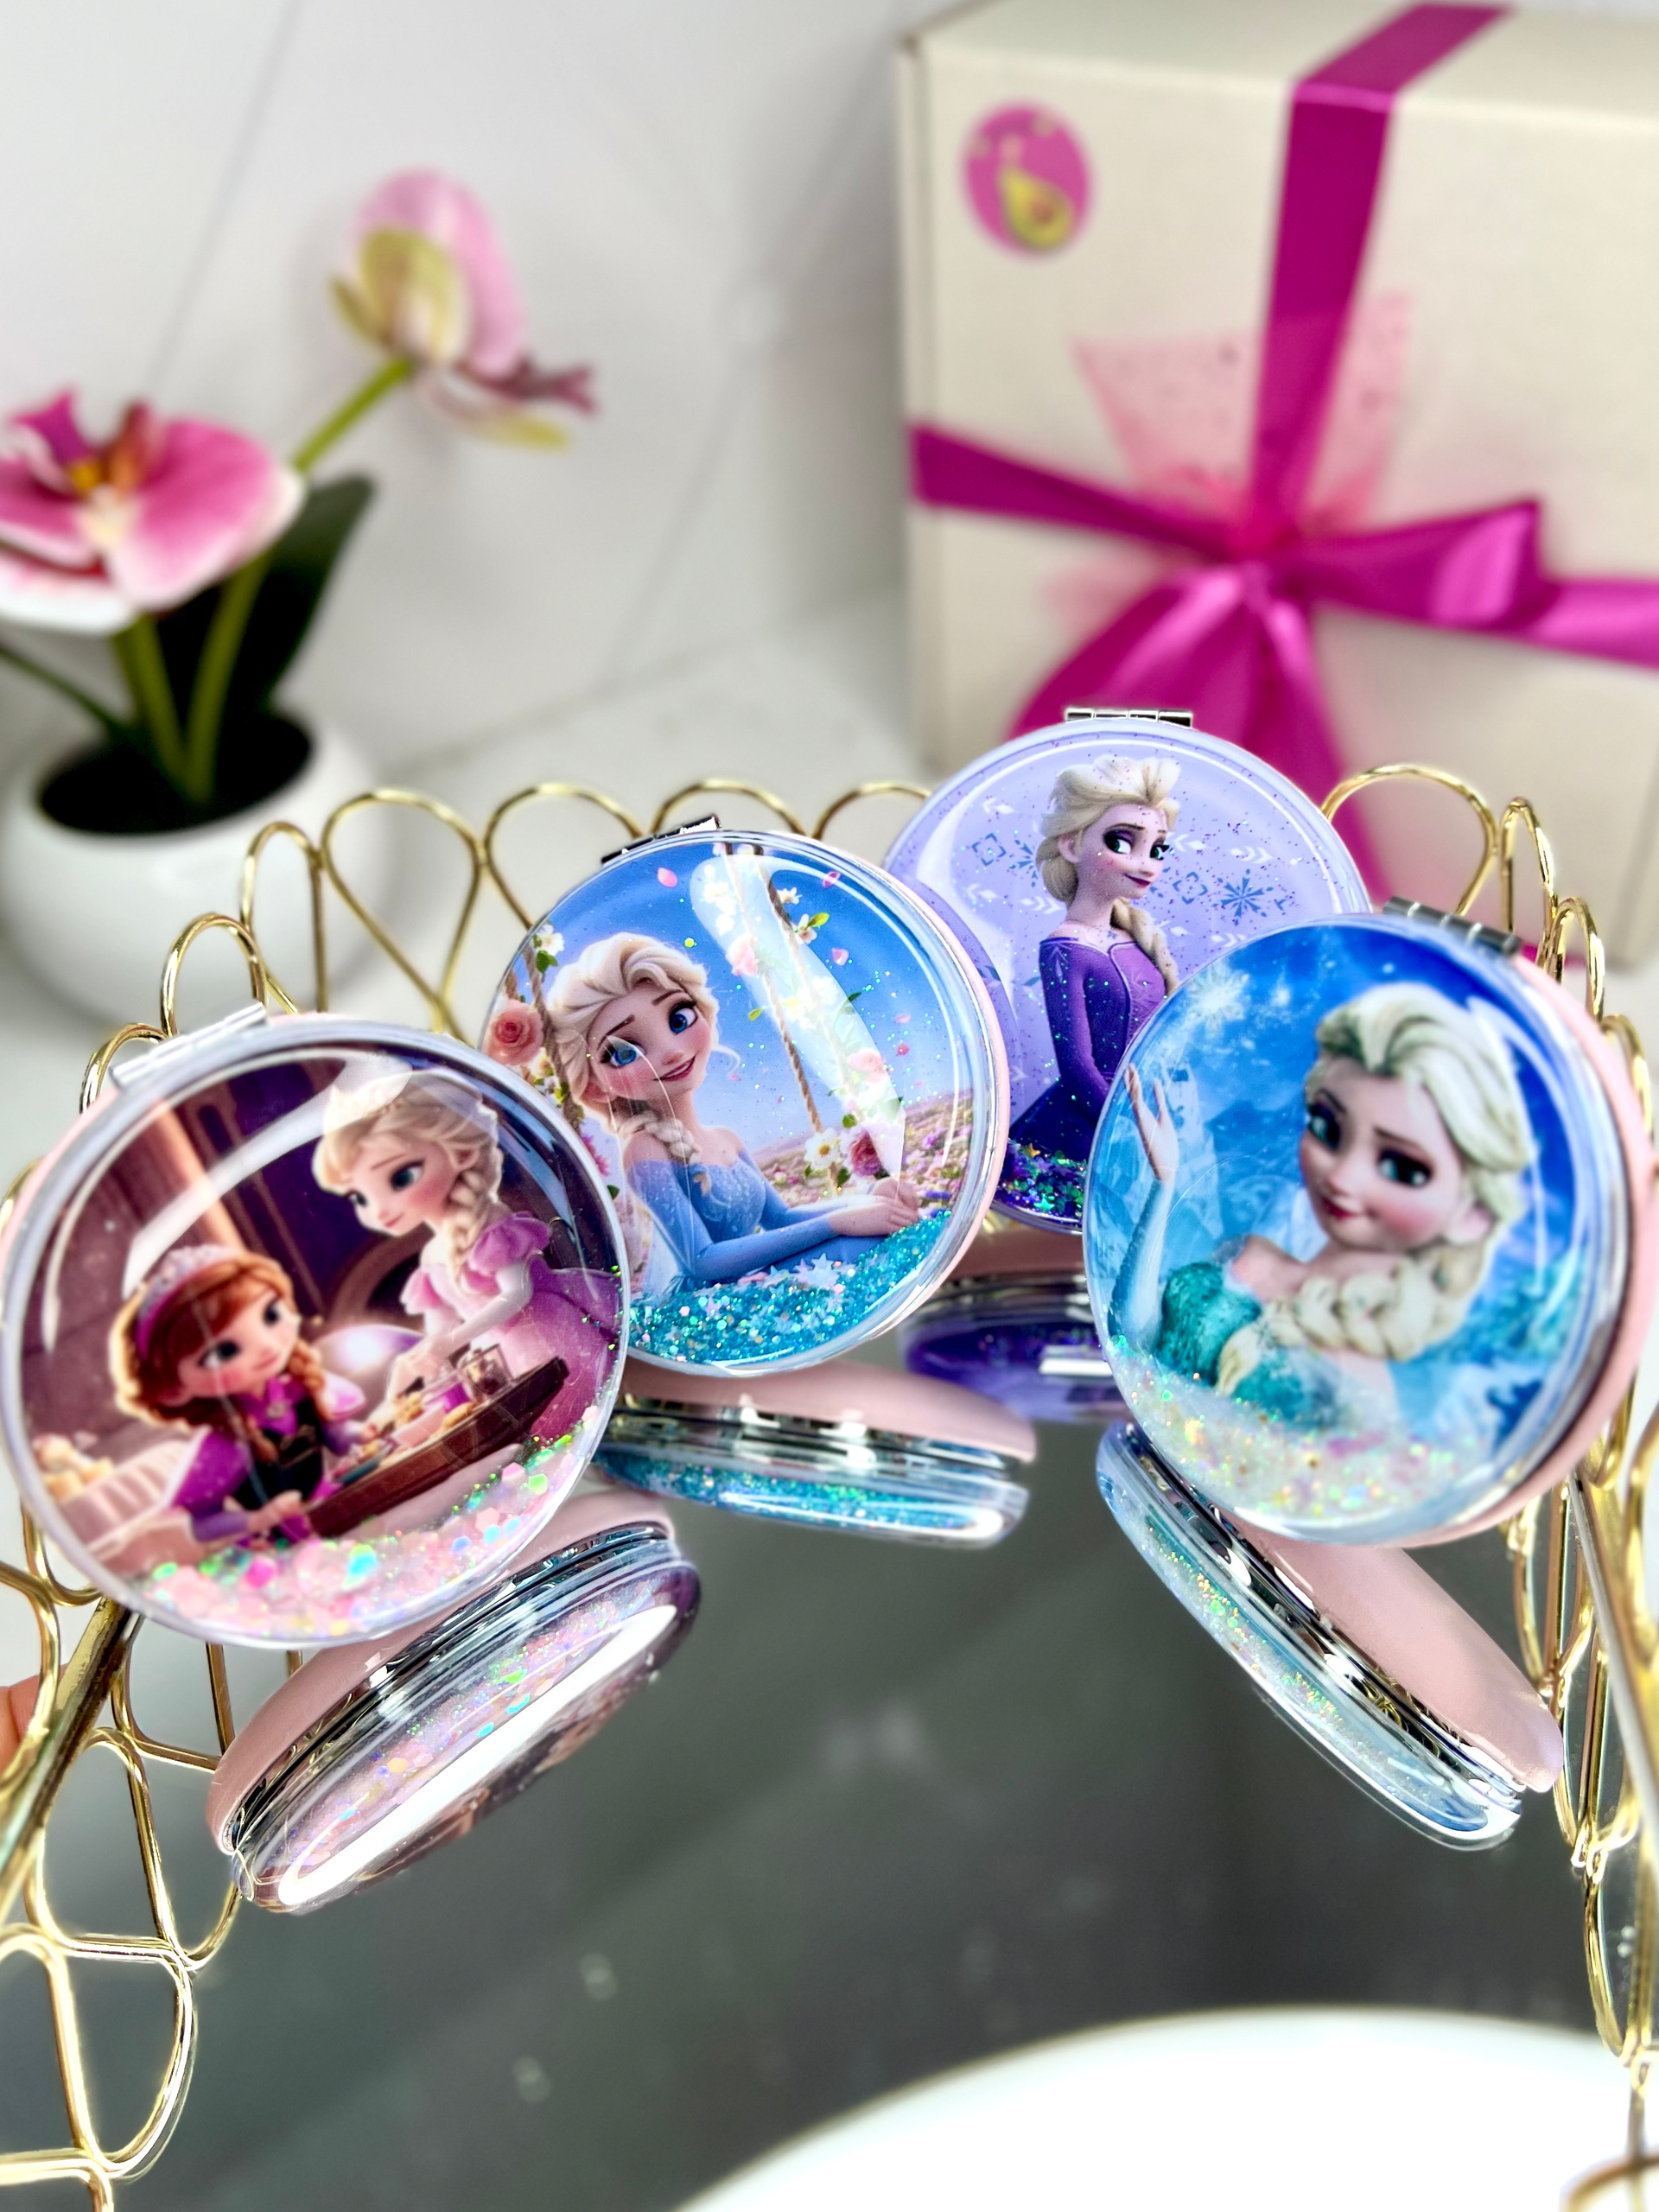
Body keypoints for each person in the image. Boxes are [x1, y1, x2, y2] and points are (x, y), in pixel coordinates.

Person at [1112, 982, 1535, 1431]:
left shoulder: (1361, 1389)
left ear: (1473, 1215)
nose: (1341, 1177)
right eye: (1328, 1127)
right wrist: (1164, 1183)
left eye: (1402, 1167)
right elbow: (1133, 1342)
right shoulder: (1250, 1254)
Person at [540, 933, 919, 1287]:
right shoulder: (644, 1150)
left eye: (679, 1019)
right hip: (716, 1298)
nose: (672, 1051)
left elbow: (781, 1219)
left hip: (754, 1276)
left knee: (880, 1233)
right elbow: (703, 1262)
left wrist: (868, 1199)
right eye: (625, 1052)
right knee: (856, 1248)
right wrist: (839, 1223)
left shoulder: (726, 1139)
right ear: (594, 1085)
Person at [312, 1062, 617, 1442]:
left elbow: (517, 1294)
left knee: (572, 1418)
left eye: (401, 1177)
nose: (379, 1210)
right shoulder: (431, 1258)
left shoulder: (491, 1225)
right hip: (497, 1361)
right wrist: (417, 1360)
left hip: (548, 1336)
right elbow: (439, 1330)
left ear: (462, 1154)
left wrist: (449, 1343)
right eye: (360, 1197)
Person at [108, 1245, 365, 1549]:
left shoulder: (298, 1389)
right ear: (173, 1389)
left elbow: (335, 1436)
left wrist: (358, 1435)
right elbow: (201, 1524)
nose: (266, 1346)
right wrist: (258, 1519)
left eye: (271, 1315)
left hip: (336, 1508)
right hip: (285, 1548)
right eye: (224, 1352)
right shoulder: (227, 1441)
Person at [1008, 755, 1181, 1166]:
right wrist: (1131, 1129)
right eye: (1121, 842)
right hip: (1084, 1132)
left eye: (1157, 849)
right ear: (1072, 845)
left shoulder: (1131, 937)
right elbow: (1077, 1066)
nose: (1146, 864)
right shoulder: (1065, 948)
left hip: (1143, 1118)